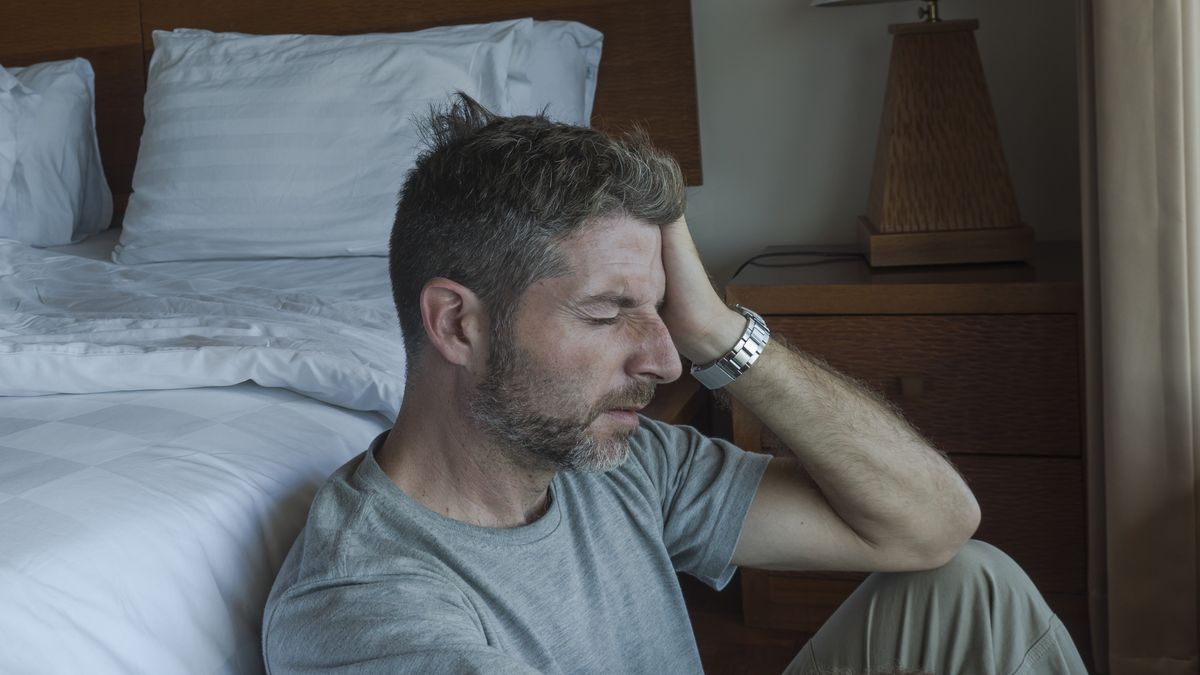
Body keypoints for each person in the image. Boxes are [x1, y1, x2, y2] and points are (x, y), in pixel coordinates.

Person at [261, 94, 1087, 675]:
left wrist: (721, 331)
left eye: (660, 313)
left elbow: (936, 523)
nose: (661, 361)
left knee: (969, 585)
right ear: (456, 324)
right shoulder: (361, 605)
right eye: (607, 311)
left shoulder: (620, 463)